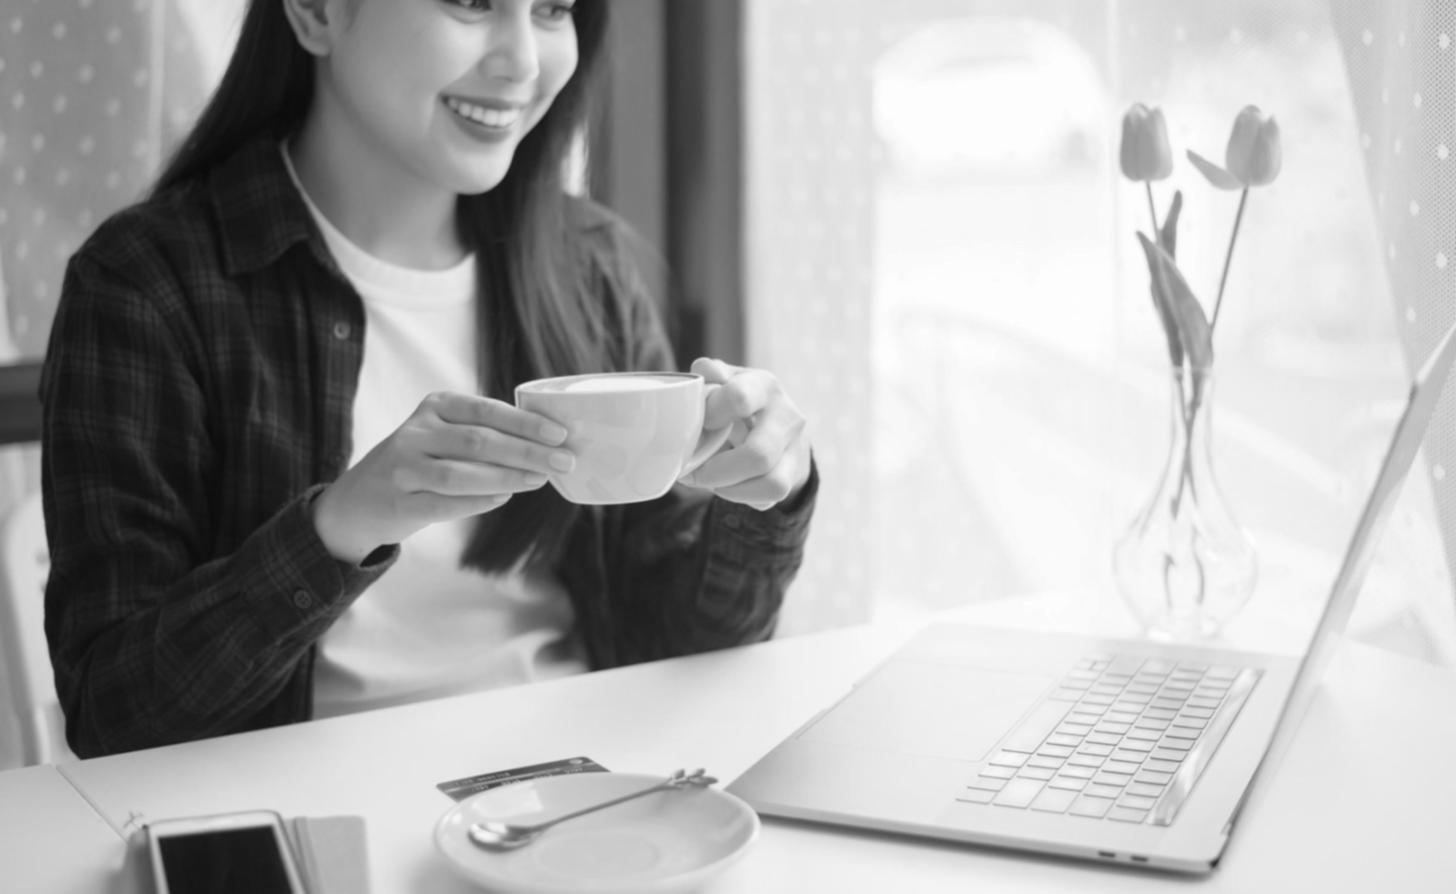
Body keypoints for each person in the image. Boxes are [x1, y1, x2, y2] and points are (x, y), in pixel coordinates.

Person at [39, 0, 817, 759]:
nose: (522, 61)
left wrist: (766, 496)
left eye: (553, 9)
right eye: (473, 4)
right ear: (314, 13)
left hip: (581, 802)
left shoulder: (591, 264)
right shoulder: (146, 285)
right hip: (315, 824)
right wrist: (339, 527)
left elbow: (681, 641)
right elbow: (113, 716)